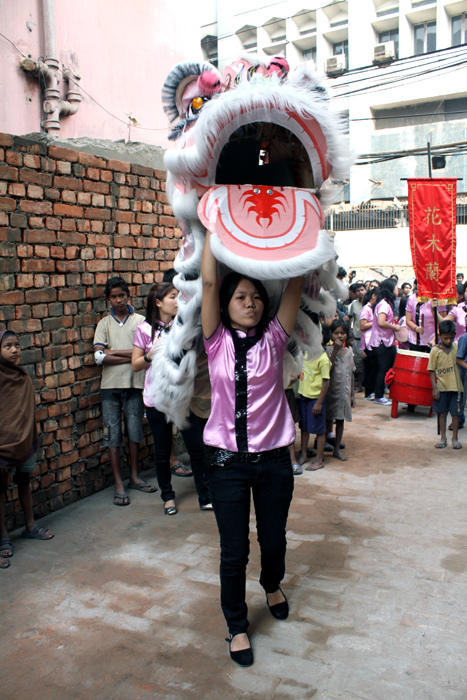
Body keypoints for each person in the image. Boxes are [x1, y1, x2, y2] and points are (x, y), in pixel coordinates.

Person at [201, 230, 303, 668]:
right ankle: (237, 625)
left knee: (274, 538)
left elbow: (295, 284)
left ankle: (272, 582)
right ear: (224, 305)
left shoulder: (276, 337)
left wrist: (305, 226)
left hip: (275, 462)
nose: (251, 303)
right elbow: (208, 283)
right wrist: (211, 225)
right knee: (233, 549)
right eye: (240, 296)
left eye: (257, 296)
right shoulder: (215, 341)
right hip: (227, 465)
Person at [132, 283, 212, 514]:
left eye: (179, 297)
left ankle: (205, 495)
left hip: (184, 397)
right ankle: (167, 497)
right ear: (158, 302)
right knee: (162, 450)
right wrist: (150, 353)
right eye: (172, 297)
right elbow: (136, 364)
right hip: (156, 399)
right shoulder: (144, 330)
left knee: (196, 447)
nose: (177, 301)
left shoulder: (185, 328)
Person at [94, 276, 156, 506]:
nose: (118, 300)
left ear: (128, 296)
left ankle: (133, 476)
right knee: (112, 436)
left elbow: (145, 354)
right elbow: (99, 358)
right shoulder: (104, 324)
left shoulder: (140, 321)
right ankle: (118, 483)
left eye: (122, 295)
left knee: (134, 432)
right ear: (108, 299)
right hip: (110, 388)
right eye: (113, 297)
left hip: (135, 385)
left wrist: (114, 352)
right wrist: (130, 354)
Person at [0, 330, 54, 569]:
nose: (14, 350)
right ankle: (3, 538)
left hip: (24, 440)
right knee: (0, 491)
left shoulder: (23, 377)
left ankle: (30, 525)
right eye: (7, 346)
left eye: (16, 345)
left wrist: (26, 433)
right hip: (2, 444)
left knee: (24, 482)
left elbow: (27, 411)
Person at [428, 320, 463, 449]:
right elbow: (432, 370)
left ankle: (455, 438)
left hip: (456, 387)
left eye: (451, 338)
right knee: (442, 413)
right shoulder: (435, 351)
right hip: (442, 388)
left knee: (455, 413)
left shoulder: (457, 347)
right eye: (445, 338)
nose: (448, 341)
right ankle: (443, 438)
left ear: (454, 335)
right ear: (439, 335)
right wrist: (434, 388)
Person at [297, 346, 332, 471]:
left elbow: (326, 382)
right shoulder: (305, 354)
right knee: (304, 428)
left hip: (315, 399)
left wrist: (319, 402)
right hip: (304, 396)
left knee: (319, 430)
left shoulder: (323, 359)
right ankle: (304, 454)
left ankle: (319, 460)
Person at [325, 320, 355, 461]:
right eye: (336, 333)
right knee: (328, 418)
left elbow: (352, 374)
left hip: (344, 392)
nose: (339, 336)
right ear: (331, 335)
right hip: (331, 392)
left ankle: (336, 448)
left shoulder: (349, 353)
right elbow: (327, 370)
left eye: (342, 333)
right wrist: (335, 351)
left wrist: (353, 395)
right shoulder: (328, 351)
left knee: (341, 419)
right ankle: (325, 441)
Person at [369, 278, 400, 406]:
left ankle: (382, 393)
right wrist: (395, 327)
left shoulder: (386, 303)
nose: (398, 290)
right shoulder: (384, 305)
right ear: (391, 289)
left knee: (384, 368)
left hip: (385, 341)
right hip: (381, 342)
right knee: (382, 369)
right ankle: (379, 396)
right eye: (396, 287)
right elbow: (381, 322)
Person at [359, 288, 378, 400]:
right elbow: (362, 326)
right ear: (374, 296)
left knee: (374, 367)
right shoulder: (366, 309)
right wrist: (376, 321)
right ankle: (368, 392)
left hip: (373, 342)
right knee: (370, 368)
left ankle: (372, 391)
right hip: (368, 342)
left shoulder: (373, 308)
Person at [348, 282, 366, 392]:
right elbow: (352, 319)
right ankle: (359, 386)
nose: (360, 292)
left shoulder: (370, 304)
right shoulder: (354, 304)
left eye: (362, 290)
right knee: (358, 362)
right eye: (358, 291)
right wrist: (351, 332)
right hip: (357, 337)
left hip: (368, 337)